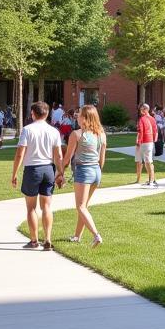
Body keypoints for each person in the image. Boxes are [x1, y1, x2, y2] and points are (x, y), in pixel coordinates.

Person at [11, 100, 64, 250]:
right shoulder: (54, 131)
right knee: (46, 206)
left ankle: (34, 241)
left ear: (32, 114)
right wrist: (60, 172)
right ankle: (47, 239)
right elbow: (58, 155)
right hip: (48, 169)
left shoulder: (27, 130)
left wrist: (14, 173)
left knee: (31, 208)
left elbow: (20, 153)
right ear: (47, 114)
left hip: (32, 169)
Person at [61, 105, 107, 246]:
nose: (77, 116)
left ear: (85, 118)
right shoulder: (101, 134)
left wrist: (60, 172)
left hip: (83, 171)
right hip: (96, 172)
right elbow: (102, 160)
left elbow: (67, 158)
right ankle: (77, 236)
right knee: (84, 206)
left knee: (80, 207)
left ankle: (96, 235)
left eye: (79, 114)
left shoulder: (77, 134)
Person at [135, 103, 158, 187]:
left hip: (144, 141)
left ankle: (151, 180)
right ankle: (152, 179)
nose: (140, 111)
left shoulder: (142, 119)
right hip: (150, 141)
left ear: (145, 109)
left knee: (147, 162)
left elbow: (141, 131)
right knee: (149, 161)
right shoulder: (152, 119)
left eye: (141, 109)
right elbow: (155, 131)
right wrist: (154, 140)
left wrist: (139, 141)